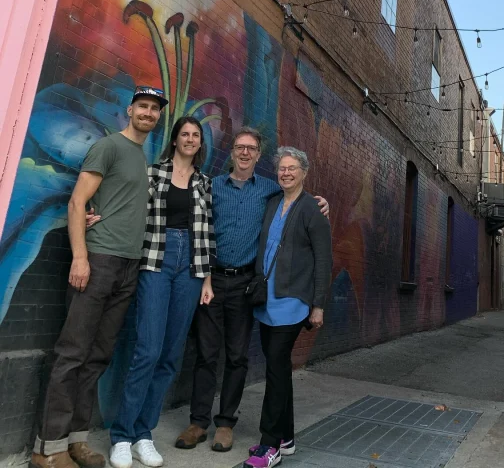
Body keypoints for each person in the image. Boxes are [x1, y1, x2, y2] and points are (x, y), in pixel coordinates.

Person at [30, 86, 168, 468]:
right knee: (72, 353)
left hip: (128, 266)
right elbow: (78, 201)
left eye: (154, 109)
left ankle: (76, 440)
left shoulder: (140, 156)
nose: (148, 113)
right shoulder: (108, 146)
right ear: (130, 110)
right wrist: (80, 257)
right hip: (100, 260)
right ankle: (48, 449)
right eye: (143, 106)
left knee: (97, 357)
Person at [175, 128, 329, 454]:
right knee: (206, 353)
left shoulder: (269, 190)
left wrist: (321, 202)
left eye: (252, 148)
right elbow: (192, 222)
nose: (245, 152)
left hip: (246, 285)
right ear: (232, 152)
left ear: (258, 155)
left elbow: (296, 194)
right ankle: (198, 422)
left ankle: (226, 423)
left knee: (237, 356)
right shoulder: (213, 186)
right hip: (212, 281)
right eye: (240, 147)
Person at [108, 117, 216, 468]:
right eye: (185, 134)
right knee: (148, 351)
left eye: (195, 135)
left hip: (191, 268)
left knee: (170, 354)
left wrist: (206, 280)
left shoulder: (204, 182)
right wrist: (99, 216)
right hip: (156, 260)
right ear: (175, 139)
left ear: (200, 143)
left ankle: (143, 433)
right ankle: (121, 436)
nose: (190, 139)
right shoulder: (154, 174)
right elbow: (130, 207)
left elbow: (207, 233)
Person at [244, 147, 332, 468]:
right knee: (278, 368)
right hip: (267, 299)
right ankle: (287, 438)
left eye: (292, 168)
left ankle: (270, 446)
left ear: (304, 172)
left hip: (293, 302)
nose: (286, 173)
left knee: (275, 369)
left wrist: (318, 305)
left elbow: (324, 260)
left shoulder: (312, 209)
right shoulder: (272, 203)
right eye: (282, 168)